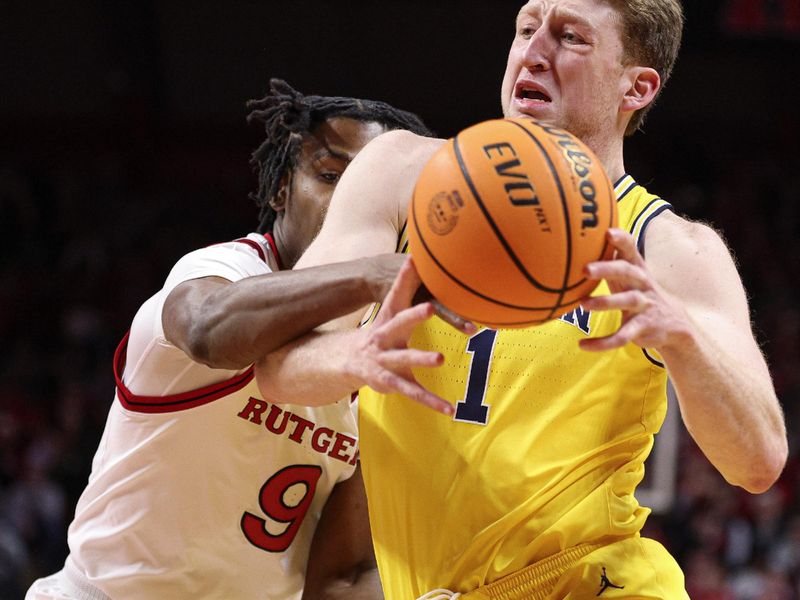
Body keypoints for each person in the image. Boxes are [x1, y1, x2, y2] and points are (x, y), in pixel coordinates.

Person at [254, 2, 789, 599]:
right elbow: (278, 367)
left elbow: (758, 461)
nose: (533, 52)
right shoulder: (400, 174)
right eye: (527, 28)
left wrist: (682, 340)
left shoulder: (668, 247)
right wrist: (352, 356)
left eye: (570, 38)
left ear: (635, 87)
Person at [25, 79, 435, 600]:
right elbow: (208, 330)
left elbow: (340, 577)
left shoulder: (394, 348)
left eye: (375, 194)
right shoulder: (225, 270)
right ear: (280, 188)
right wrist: (370, 272)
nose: (350, 205)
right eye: (332, 177)